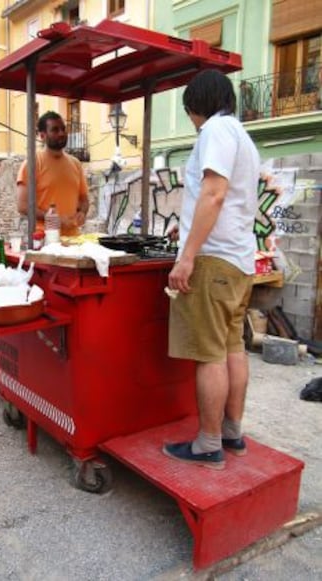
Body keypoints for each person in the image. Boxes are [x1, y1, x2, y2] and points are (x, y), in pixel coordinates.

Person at [163, 69, 260, 470]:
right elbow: (229, 198)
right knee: (232, 347)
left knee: (209, 355)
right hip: (240, 261)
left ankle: (208, 443)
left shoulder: (214, 132)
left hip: (214, 262)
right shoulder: (242, 136)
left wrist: (187, 256)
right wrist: (183, 226)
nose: (191, 121)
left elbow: (215, 192)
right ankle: (232, 432)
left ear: (196, 106)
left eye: (189, 113)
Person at [17, 111, 89, 237]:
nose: (61, 133)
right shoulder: (32, 163)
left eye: (63, 129)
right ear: (42, 136)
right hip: (44, 239)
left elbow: (84, 199)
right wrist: (54, 219)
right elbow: (23, 206)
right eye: (55, 130)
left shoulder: (76, 163)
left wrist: (82, 212)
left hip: (74, 239)